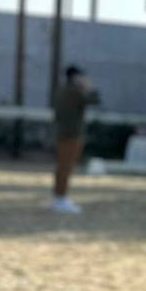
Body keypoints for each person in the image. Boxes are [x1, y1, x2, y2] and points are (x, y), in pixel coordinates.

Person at [51, 64, 100, 214]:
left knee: (62, 167)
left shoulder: (62, 91)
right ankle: (61, 198)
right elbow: (94, 100)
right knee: (67, 167)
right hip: (72, 134)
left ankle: (59, 197)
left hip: (63, 133)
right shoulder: (74, 92)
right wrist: (88, 87)